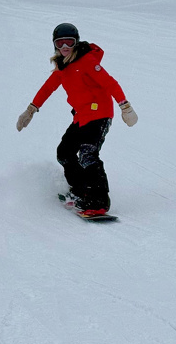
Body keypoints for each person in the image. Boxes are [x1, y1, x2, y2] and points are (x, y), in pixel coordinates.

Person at [16, 23, 138, 216]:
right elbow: (48, 88)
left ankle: (99, 201)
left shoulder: (87, 60)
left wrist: (125, 106)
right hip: (81, 116)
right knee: (64, 152)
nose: (65, 47)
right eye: (60, 43)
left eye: (69, 42)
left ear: (76, 42)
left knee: (88, 154)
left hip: (100, 114)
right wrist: (31, 109)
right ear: (54, 45)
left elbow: (110, 83)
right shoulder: (62, 67)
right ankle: (81, 190)